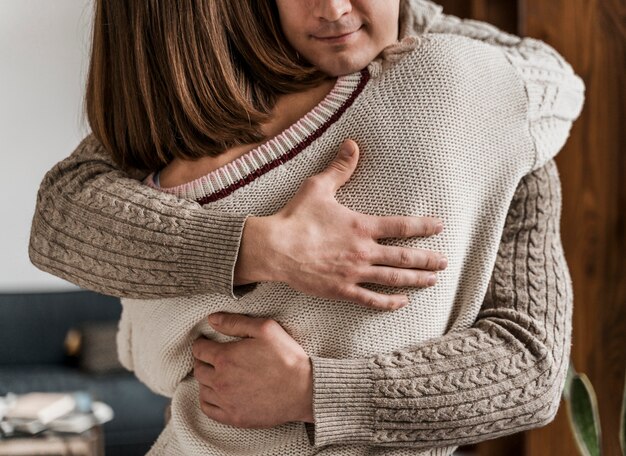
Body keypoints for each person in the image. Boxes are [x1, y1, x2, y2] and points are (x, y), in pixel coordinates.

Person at [28, 0, 585, 455]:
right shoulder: (195, 127)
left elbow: (530, 368)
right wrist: (266, 247)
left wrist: (314, 391)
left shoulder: (496, 119)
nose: (335, 10)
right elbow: (59, 216)